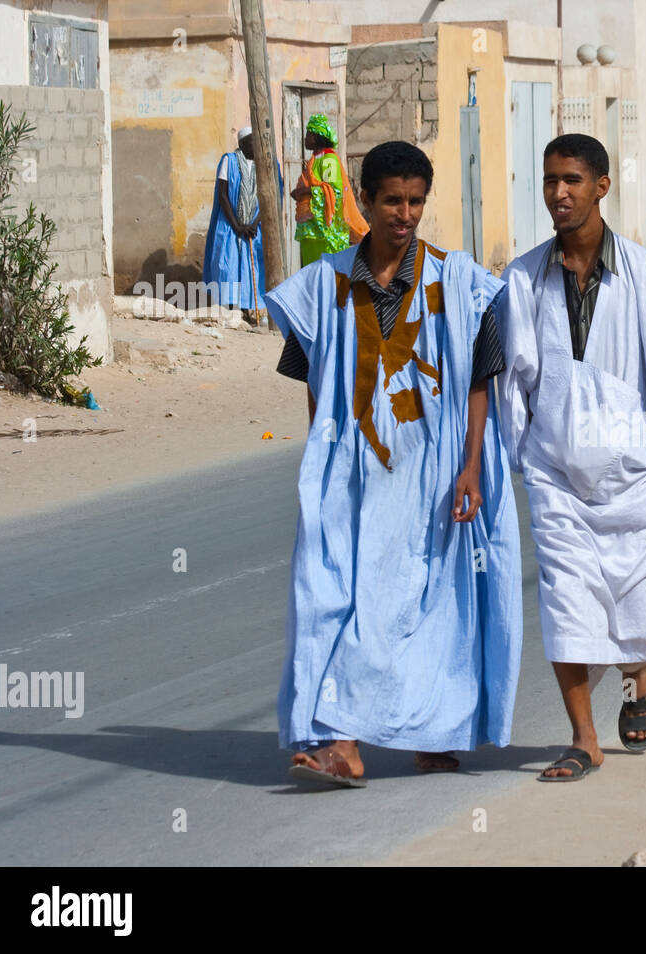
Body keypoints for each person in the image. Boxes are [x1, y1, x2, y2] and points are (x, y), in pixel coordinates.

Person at [265, 140, 523, 787]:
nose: (404, 215)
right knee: (328, 597)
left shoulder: (460, 283)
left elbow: (480, 378)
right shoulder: (323, 286)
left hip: (434, 476)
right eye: (391, 202)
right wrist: (326, 456)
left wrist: (470, 466)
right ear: (366, 201)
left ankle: (417, 730)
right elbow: (311, 375)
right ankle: (338, 736)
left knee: (428, 603)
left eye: (415, 202)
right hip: (350, 476)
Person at [496, 134, 646, 781]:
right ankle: (583, 739)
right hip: (555, 473)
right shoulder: (522, 277)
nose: (558, 193)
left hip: (627, 472)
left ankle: (638, 671)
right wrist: (510, 456)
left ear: (602, 185)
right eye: (548, 181)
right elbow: (511, 377)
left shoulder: (645, 272)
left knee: (633, 601)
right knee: (565, 600)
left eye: (571, 180)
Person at [203, 127, 270, 323]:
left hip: (254, 226)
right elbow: (223, 195)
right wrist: (238, 225)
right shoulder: (229, 161)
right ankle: (226, 309)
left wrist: (254, 223)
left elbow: (270, 197)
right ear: (241, 144)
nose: (256, 147)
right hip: (230, 223)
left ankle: (253, 311)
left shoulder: (264, 164)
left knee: (254, 269)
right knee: (227, 265)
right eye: (251, 142)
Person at [289, 113, 368, 266]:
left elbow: (334, 192)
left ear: (317, 136)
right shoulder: (315, 159)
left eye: (308, 135)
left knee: (327, 273)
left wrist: (305, 192)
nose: (305, 139)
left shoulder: (329, 160)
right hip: (311, 230)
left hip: (326, 233)